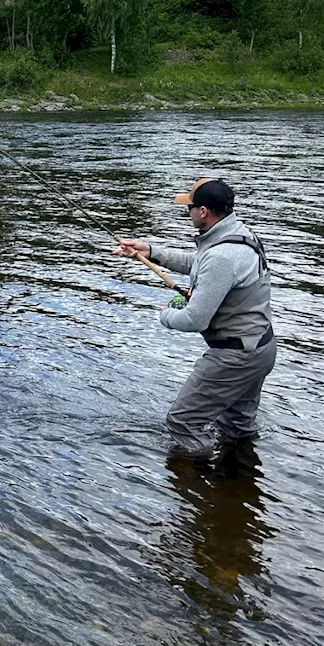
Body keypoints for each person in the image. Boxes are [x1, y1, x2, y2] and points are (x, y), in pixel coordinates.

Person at [115, 178, 275, 458]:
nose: (187, 212)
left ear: (203, 211)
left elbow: (195, 319)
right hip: (259, 348)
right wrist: (150, 252)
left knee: (183, 423)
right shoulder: (238, 235)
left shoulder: (223, 256)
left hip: (235, 356)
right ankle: (237, 483)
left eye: (189, 207)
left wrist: (165, 316)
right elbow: (200, 264)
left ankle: (197, 489)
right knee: (237, 426)